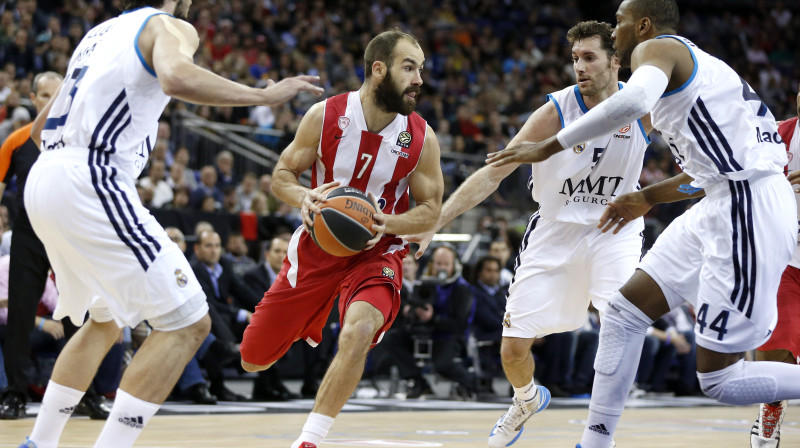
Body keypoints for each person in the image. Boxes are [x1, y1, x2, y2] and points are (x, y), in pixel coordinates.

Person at [484, 1, 799, 447]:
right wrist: (648, 196)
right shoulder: (697, 71)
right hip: (721, 198)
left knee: (720, 380)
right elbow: (702, 174)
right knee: (625, 313)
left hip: (750, 205)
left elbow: (629, 101)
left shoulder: (660, 49)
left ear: (644, 25)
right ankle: (595, 441)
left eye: (620, 21)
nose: (616, 30)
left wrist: (548, 146)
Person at [20, 0, 323, 446]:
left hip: (46, 177)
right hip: (92, 176)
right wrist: (262, 95)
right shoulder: (167, 24)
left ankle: (38, 442)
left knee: (104, 321)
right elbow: (176, 77)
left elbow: (36, 130)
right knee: (187, 322)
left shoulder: (98, 35)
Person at [405, 21, 651, 447]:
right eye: (575, 58)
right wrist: (434, 222)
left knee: (620, 325)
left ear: (616, 61)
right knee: (514, 350)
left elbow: (697, 149)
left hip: (614, 230)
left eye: (589, 57)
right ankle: (525, 399)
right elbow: (493, 173)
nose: (579, 67)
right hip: (554, 231)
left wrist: (657, 196)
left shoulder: (643, 106)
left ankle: (598, 436)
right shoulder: (555, 111)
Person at [239, 29, 444, 448]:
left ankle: (309, 440)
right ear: (378, 69)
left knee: (358, 330)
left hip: (377, 251)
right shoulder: (325, 115)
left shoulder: (421, 138)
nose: (419, 78)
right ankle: (304, 319)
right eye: (409, 67)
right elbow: (281, 175)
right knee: (253, 359)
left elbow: (430, 209)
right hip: (319, 247)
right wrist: (304, 196)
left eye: (421, 69)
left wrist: (386, 223)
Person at [0, 71, 65, 421]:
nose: (51, 101)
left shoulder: (78, 139)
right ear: (34, 99)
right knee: (20, 316)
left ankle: (82, 394)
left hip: (67, 234)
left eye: (57, 95)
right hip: (27, 235)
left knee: (82, 315)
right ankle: (14, 394)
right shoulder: (16, 141)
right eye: (43, 95)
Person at [749, 84, 800, 448]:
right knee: (775, 343)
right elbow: (742, 182)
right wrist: (777, 183)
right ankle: (771, 408)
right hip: (786, 257)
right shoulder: (778, 135)